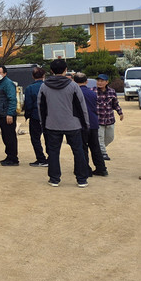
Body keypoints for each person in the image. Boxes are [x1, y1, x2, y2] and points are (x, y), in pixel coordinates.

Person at [37, 59, 90, 187]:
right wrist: (86, 123)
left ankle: (54, 179)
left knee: (53, 152)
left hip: (52, 124)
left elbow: (41, 106)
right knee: (78, 151)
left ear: (51, 71)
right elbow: (81, 106)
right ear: (66, 70)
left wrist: (43, 123)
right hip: (73, 124)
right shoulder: (73, 86)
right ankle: (82, 179)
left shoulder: (44, 86)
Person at [74, 73, 108, 177]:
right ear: (86, 81)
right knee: (95, 147)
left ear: (74, 82)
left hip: (80, 123)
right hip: (93, 122)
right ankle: (101, 168)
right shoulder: (92, 93)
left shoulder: (74, 93)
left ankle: (85, 169)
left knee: (82, 147)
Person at [0, 66, 19, 166]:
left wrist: (10, 113)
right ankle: (9, 156)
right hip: (1, 114)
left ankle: (13, 158)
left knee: (10, 137)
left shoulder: (8, 83)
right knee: (5, 136)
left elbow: (12, 99)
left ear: (5, 73)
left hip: (7, 115)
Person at [23, 67, 48, 167]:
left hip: (35, 116)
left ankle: (41, 158)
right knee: (49, 138)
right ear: (44, 76)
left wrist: (27, 115)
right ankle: (51, 157)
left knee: (35, 139)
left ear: (33, 76)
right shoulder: (49, 86)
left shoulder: (30, 88)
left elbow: (28, 104)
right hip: (49, 117)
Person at [95, 74, 123, 161]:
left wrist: (120, 112)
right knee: (100, 137)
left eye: (102, 81)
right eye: (98, 81)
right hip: (98, 120)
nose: (99, 83)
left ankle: (98, 148)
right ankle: (103, 153)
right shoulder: (92, 91)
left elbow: (115, 104)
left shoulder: (112, 91)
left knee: (110, 137)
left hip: (109, 119)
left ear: (107, 82)